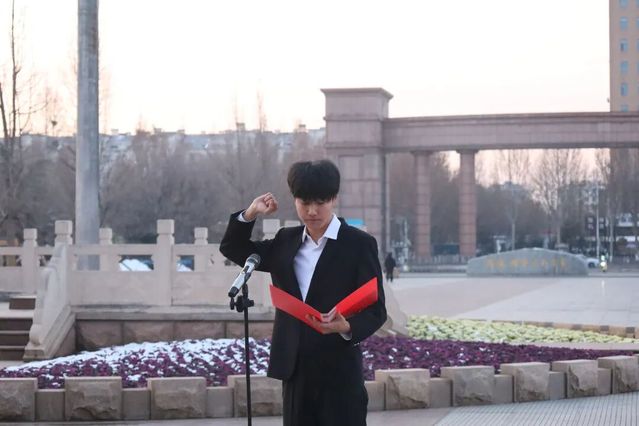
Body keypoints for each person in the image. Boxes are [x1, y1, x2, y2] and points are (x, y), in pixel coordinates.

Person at [220, 159, 387, 426]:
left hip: (339, 372)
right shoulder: (286, 240)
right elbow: (233, 248)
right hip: (296, 370)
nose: (311, 211)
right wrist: (251, 213)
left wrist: (346, 326)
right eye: (304, 202)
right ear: (295, 200)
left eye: (320, 202)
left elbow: (377, 311)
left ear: (334, 199)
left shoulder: (358, 244)